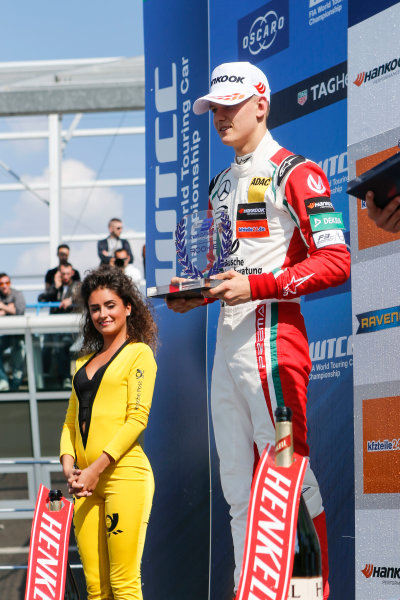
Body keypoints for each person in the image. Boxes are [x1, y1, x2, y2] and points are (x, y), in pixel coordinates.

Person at [166, 61, 351, 599]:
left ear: (261, 105)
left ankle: (309, 593)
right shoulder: (220, 182)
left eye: (231, 105)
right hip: (226, 345)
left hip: (273, 341)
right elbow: (226, 266)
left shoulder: (297, 171)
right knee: (237, 492)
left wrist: (259, 286)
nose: (221, 116)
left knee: (288, 480)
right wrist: (193, 292)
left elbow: (336, 260)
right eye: (214, 108)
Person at [60, 266, 157, 600]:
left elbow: (137, 420)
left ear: (128, 307)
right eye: (95, 308)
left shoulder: (138, 354)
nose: (103, 314)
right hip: (85, 486)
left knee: (123, 582)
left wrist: (94, 470)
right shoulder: (83, 362)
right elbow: (70, 423)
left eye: (110, 305)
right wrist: (70, 468)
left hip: (124, 478)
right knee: (95, 588)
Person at [38, 263, 81, 389]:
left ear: (72, 273)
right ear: (59, 274)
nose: (66, 276)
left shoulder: (78, 286)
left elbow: (83, 297)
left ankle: (66, 378)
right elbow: (41, 298)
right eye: (63, 274)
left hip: (71, 328)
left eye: (68, 273)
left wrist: (71, 300)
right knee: (47, 346)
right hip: (55, 327)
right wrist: (55, 287)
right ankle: (44, 376)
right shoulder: (57, 287)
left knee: (63, 345)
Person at [0, 273, 26, 391]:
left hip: (18, 335)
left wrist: (2, 307)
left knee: (18, 348)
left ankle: (16, 383)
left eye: (7, 283)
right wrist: (10, 309)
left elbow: (20, 311)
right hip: (4, 335)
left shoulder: (17, 294)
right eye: (1, 283)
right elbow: (14, 310)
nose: (4, 286)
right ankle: (3, 380)